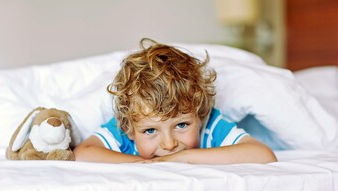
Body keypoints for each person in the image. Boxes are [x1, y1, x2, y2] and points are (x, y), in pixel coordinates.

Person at [73, 38, 277, 164]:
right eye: (151, 131)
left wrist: (181, 158)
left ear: (200, 114)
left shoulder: (209, 125)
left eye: (181, 124)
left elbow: (262, 154)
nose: (169, 144)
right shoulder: (130, 124)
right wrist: (141, 163)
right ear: (129, 130)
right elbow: (83, 153)